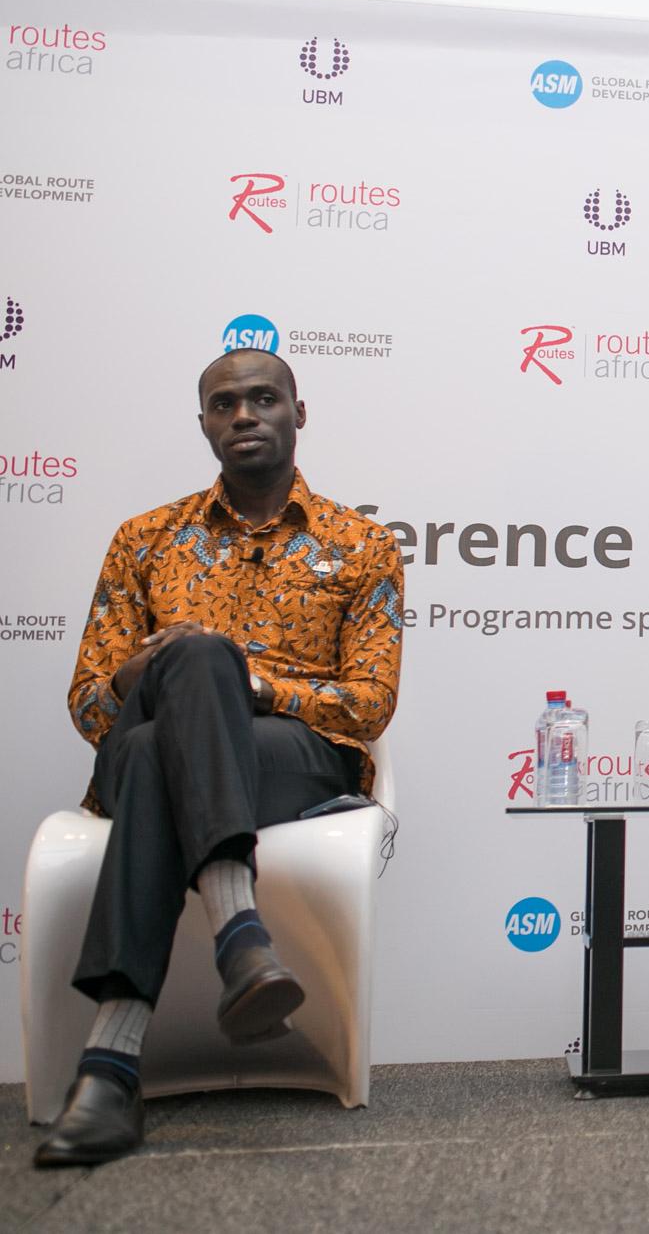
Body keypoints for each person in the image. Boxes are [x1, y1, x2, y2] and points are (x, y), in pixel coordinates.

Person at [36, 349, 404, 1167]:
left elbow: (369, 703)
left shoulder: (362, 544)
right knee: (170, 696)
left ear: (298, 414)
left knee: (169, 724)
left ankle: (109, 1068)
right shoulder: (144, 539)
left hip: (292, 758)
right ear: (204, 422)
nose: (244, 414)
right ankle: (240, 936)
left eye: (264, 398)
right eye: (224, 403)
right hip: (149, 744)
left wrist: (250, 684)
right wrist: (146, 670)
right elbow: (91, 705)